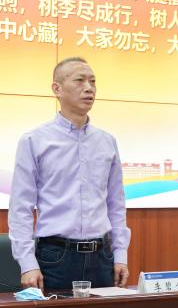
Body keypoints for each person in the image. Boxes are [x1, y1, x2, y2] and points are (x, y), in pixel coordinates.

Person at [8, 57, 130, 291]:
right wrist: (27, 263)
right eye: (80, 80)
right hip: (55, 257)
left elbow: (116, 203)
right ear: (57, 89)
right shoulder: (34, 140)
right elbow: (21, 207)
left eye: (93, 81)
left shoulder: (107, 141)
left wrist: (120, 254)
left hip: (102, 257)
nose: (89, 88)